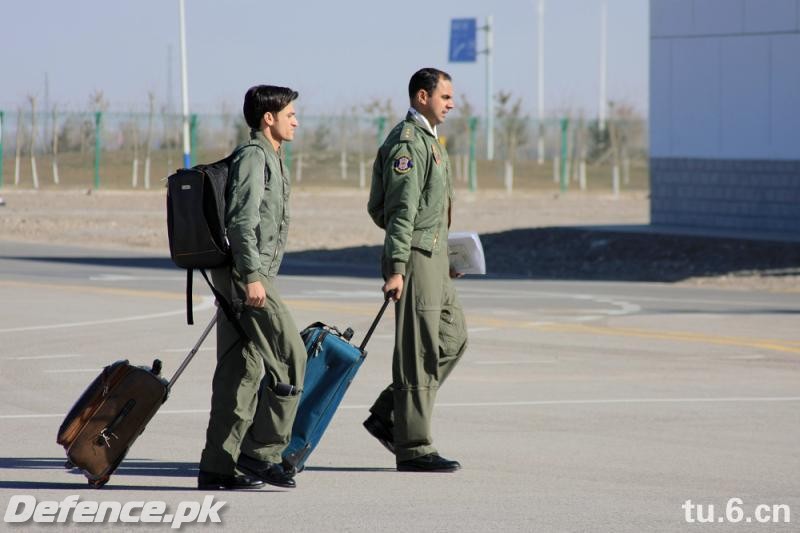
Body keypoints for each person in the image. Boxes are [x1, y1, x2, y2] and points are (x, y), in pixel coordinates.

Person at [198, 85, 306, 490]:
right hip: (248, 276)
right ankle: (261, 453)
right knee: (291, 355)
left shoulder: (273, 157)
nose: (295, 120)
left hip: (249, 274)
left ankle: (217, 467)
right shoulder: (254, 156)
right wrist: (253, 277)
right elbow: (241, 223)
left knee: (240, 370)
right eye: (290, 114)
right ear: (268, 118)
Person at [364, 68, 468, 472]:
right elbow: (399, 212)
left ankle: (390, 412)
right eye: (445, 96)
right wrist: (397, 267)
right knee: (418, 351)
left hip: (436, 259)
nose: (451, 103)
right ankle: (414, 446)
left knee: (452, 339)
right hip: (415, 260)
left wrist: (448, 258)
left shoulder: (430, 141)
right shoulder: (408, 143)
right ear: (422, 96)